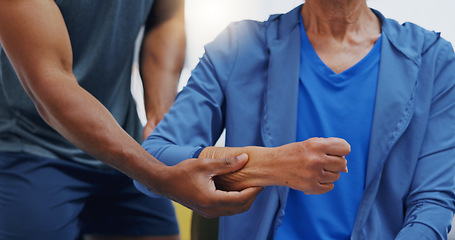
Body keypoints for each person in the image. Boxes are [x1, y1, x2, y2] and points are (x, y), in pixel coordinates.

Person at [136, 0, 455, 239]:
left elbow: (432, 204)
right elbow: (151, 162)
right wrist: (271, 164)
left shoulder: (433, 61)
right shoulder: (237, 48)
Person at [0, 0, 263, 239]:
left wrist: (161, 117)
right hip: (28, 145)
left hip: (122, 141)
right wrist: (157, 175)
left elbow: (166, 17)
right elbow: (50, 82)